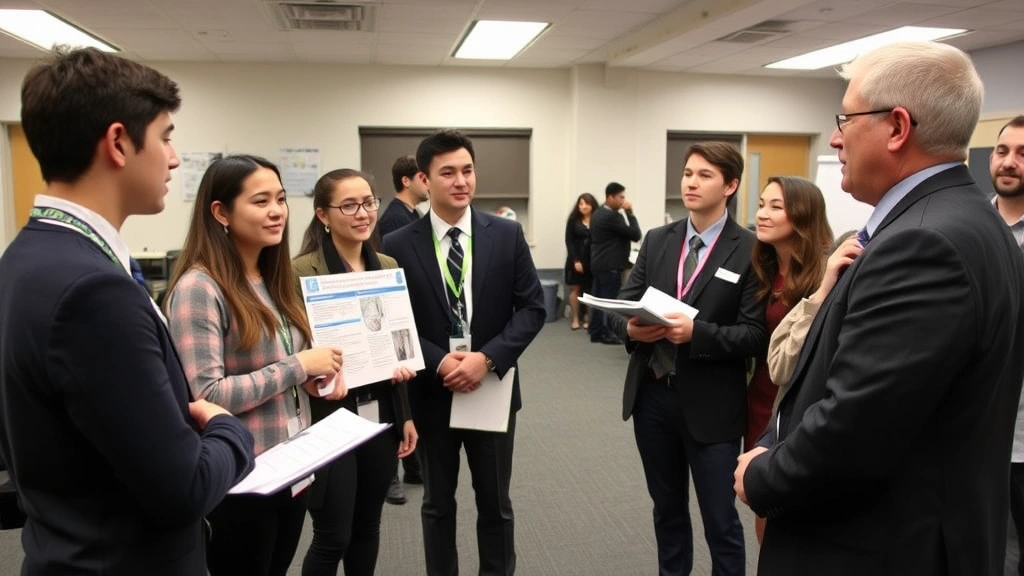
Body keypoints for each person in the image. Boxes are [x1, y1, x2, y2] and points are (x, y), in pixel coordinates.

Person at [735, 41, 1024, 576]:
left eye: (845, 119)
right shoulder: (964, 221)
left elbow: (857, 426)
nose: (837, 138)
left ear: (896, 127)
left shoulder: (924, 243)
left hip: (879, 546)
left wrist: (763, 474)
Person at [0, 47, 255, 575]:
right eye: (165, 136)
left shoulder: (24, 258)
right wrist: (232, 431)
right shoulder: (93, 292)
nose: (176, 157)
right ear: (119, 142)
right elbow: (184, 490)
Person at [165, 154, 345, 576]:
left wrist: (315, 381)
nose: (276, 211)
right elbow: (206, 397)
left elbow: (285, 363)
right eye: (260, 201)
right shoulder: (199, 288)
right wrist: (298, 367)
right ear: (221, 212)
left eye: (281, 199)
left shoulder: (271, 277)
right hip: (243, 478)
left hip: (292, 466)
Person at [381, 129, 546, 576]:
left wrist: (486, 359)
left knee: (495, 503)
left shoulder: (507, 235)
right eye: (447, 172)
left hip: (492, 387)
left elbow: (532, 308)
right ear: (424, 179)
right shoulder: (396, 244)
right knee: (437, 504)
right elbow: (398, 322)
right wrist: (439, 361)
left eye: (467, 170)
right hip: (433, 392)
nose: (461, 181)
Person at [617, 142, 766, 576]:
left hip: (712, 406)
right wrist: (630, 327)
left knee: (720, 521)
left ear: (730, 185)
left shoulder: (750, 248)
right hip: (653, 398)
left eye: (704, 175)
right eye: (687, 173)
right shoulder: (658, 239)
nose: (691, 183)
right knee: (667, 512)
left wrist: (696, 333)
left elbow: (755, 334)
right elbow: (625, 303)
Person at [291, 168, 419, 576]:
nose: (363, 213)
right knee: (333, 535)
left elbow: (396, 346)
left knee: (368, 525)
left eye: (369, 202)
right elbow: (295, 351)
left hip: (379, 411)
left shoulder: (386, 264)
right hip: (329, 415)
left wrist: (406, 415)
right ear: (323, 215)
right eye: (349, 205)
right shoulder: (300, 272)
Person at [746, 176, 832, 544]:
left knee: (795, 515)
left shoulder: (826, 272)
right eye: (762, 204)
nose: (762, 214)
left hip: (798, 404)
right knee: (762, 508)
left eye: (775, 207)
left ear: (802, 216)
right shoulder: (763, 267)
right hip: (760, 402)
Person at [992, 115, 1024, 576]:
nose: (1010, 162)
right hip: (974, 430)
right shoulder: (971, 224)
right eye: (1002, 151)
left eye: (1022, 155)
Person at [589, 182, 641, 344]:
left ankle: (596, 330)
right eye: (621, 197)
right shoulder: (613, 216)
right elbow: (635, 234)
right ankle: (606, 332)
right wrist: (630, 212)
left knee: (598, 299)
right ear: (610, 197)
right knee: (610, 300)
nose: (623, 201)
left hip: (598, 262)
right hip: (610, 264)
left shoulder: (597, 213)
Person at [564, 193, 598, 331]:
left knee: (590, 290)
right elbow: (569, 242)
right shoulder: (573, 221)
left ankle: (588, 319)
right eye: (581, 204)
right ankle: (575, 318)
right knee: (575, 289)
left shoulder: (598, 220)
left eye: (586, 203)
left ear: (592, 205)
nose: (583, 206)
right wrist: (575, 260)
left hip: (593, 260)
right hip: (576, 259)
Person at [377, 154, 429, 238]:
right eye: (423, 178)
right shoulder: (394, 219)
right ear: (406, 181)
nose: (428, 183)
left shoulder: (414, 213)